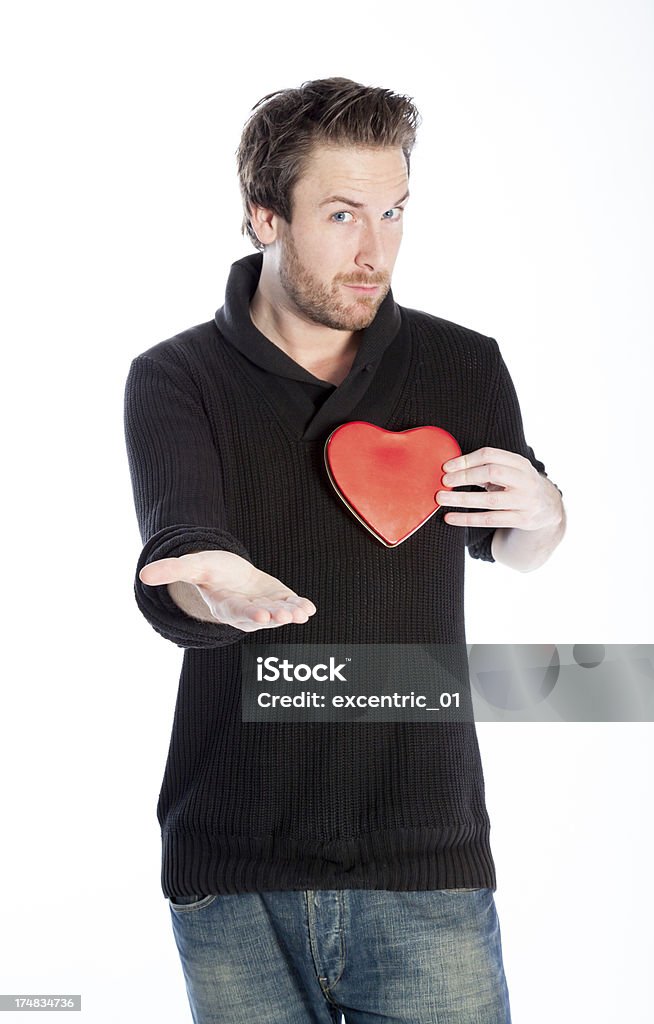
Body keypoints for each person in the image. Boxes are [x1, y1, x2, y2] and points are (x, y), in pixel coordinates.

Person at [124, 77, 565, 1024]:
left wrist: (547, 514)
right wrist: (216, 591)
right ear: (264, 215)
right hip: (232, 873)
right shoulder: (174, 378)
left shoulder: (463, 365)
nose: (377, 251)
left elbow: (515, 544)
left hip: (425, 864)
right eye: (340, 215)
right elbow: (180, 561)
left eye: (394, 212)